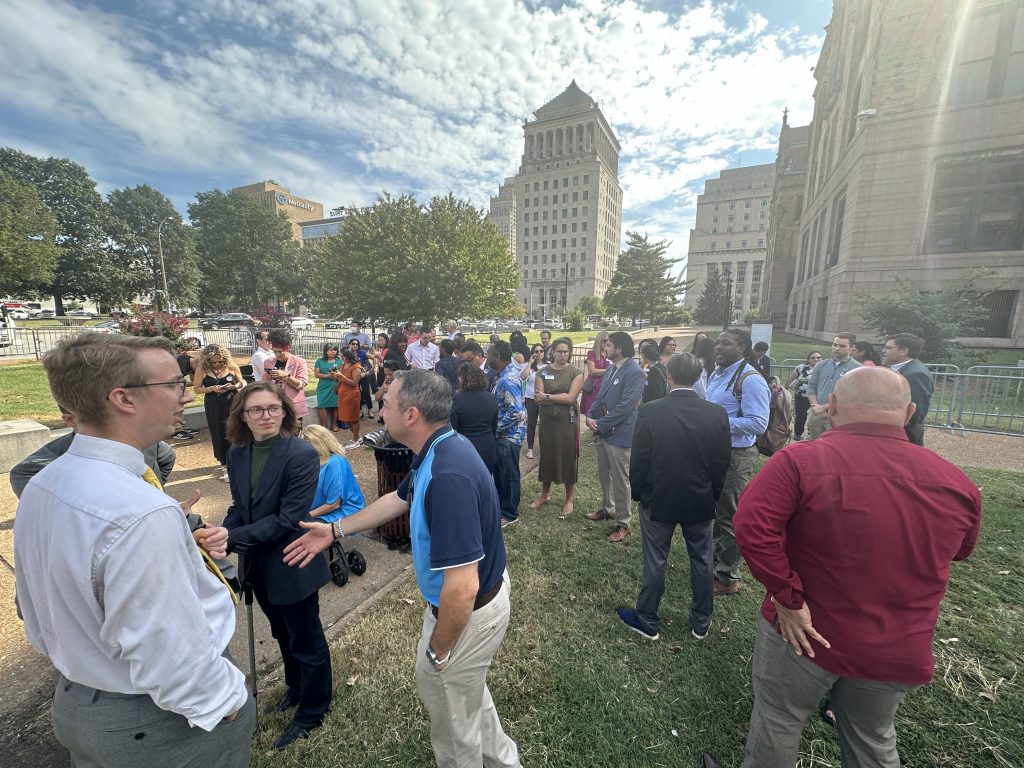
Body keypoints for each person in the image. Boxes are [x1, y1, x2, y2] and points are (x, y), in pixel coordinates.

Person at [707, 367, 981, 768]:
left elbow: (750, 526)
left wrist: (787, 595)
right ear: (909, 413)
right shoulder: (956, 481)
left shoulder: (798, 461)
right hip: (897, 642)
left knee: (779, 720)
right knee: (873, 738)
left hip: (803, 630)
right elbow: (960, 551)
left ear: (831, 406)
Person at [14, 333, 254, 767]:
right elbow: (168, 647)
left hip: (81, 702)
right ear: (124, 398)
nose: (186, 395)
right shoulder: (140, 512)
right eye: (174, 384)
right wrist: (225, 701)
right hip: (159, 721)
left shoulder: (44, 484)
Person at [283, 369, 520, 768]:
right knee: (467, 699)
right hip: (471, 604)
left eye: (387, 403)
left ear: (411, 414)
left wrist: (439, 651)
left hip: (467, 613)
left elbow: (462, 588)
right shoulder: (440, 446)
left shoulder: (448, 475)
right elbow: (399, 497)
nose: (379, 409)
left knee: (454, 727)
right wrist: (335, 529)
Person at [223, 381, 332, 750]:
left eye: (273, 408)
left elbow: (287, 519)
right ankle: (296, 688)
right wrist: (223, 531)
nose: (265, 415)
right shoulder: (237, 452)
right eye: (256, 409)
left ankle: (313, 709)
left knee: (305, 638)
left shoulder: (300, 454)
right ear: (243, 416)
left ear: (284, 411)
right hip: (257, 564)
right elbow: (240, 506)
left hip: (291, 559)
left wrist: (230, 537)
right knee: (282, 633)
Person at [616, 353, 731, 641]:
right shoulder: (716, 413)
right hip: (700, 498)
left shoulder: (651, 411)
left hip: (659, 498)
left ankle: (647, 618)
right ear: (698, 376)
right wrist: (712, 495)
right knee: (702, 560)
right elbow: (721, 463)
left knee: (656, 560)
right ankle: (701, 620)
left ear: (669, 376)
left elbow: (639, 460)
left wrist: (639, 493)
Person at [704, 328, 770, 594]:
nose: (718, 347)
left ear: (742, 348)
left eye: (726, 343)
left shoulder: (751, 380)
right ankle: (716, 555)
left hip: (736, 456)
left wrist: (717, 422)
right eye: (717, 343)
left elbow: (758, 423)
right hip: (713, 451)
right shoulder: (718, 374)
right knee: (714, 510)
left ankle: (728, 577)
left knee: (730, 516)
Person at [584, 332, 647, 542]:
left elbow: (625, 407)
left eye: (609, 345)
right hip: (604, 432)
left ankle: (624, 523)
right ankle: (608, 508)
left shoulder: (635, 372)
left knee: (621, 480)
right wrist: (590, 415)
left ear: (619, 348)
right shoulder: (611, 368)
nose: (605, 348)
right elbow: (599, 396)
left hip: (620, 434)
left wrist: (600, 423)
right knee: (605, 474)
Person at [531, 338, 585, 518]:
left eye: (566, 351)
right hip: (547, 422)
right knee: (547, 455)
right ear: (553, 351)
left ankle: (569, 499)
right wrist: (558, 397)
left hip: (567, 423)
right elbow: (538, 398)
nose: (563, 355)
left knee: (568, 456)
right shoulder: (542, 372)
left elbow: (571, 398)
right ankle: (545, 494)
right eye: (560, 351)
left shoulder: (576, 372)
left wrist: (549, 396)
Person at [488, 340, 526, 527]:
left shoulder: (507, 379)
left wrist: (496, 430)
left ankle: (510, 513)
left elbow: (516, 412)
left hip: (508, 436)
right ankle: (502, 507)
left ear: (497, 356)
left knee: (508, 474)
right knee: (501, 473)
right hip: (503, 435)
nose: (487, 357)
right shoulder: (502, 375)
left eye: (489, 354)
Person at [194, 343, 244, 481]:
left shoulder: (232, 367)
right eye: (214, 362)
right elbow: (197, 389)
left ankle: (238, 459)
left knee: (236, 430)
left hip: (232, 402)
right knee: (218, 432)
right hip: (214, 405)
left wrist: (234, 386)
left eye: (221, 361)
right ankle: (224, 464)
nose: (217, 364)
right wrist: (212, 388)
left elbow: (241, 382)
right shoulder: (202, 369)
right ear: (207, 360)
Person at [299, 424, 365, 522]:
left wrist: (302, 518)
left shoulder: (335, 462)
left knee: (297, 528)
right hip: (321, 509)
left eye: (306, 444)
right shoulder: (312, 461)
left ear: (319, 444)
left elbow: (334, 504)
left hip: (342, 513)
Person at [805, 333, 860, 440]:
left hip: (840, 417)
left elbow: (853, 396)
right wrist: (816, 407)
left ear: (852, 348)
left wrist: (825, 407)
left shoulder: (857, 369)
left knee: (835, 446)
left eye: (842, 346)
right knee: (815, 446)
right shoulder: (821, 365)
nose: (837, 348)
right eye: (835, 345)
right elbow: (811, 387)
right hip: (817, 415)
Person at [882, 333, 934, 446]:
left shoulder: (916, 374)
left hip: (904, 435)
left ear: (903, 351)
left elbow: (916, 413)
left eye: (888, 348)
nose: (883, 351)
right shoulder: (901, 368)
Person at [451, 363, 498, 473]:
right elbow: (494, 426)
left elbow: (453, 429)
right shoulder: (492, 398)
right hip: (488, 448)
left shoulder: (457, 399)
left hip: (465, 449)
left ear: (462, 379)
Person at [266, 329, 310, 424]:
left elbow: (301, 385)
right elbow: (264, 382)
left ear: (287, 348)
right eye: (274, 352)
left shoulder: (299, 362)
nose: (277, 355)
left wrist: (286, 376)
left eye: (280, 352)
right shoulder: (268, 362)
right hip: (274, 404)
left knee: (294, 431)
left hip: (293, 405)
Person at [786, 350, 822, 441]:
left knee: (815, 416)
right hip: (801, 396)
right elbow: (791, 378)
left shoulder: (824, 368)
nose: (816, 359)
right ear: (808, 359)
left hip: (817, 397)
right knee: (801, 416)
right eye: (813, 358)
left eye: (818, 357)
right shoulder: (801, 368)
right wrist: (785, 390)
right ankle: (798, 434)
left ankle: (813, 434)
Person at [336, 346, 363, 449]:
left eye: (344, 355)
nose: (342, 357)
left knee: (353, 418)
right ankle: (356, 437)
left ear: (349, 355)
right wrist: (334, 376)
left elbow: (354, 383)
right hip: (343, 395)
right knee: (346, 418)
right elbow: (339, 380)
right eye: (341, 355)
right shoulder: (343, 365)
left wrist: (342, 377)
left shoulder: (356, 367)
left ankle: (355, 439)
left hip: (352, 395)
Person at [522, 344, 544, 460]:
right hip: (531, 398)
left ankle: (545, 447)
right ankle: (530, 448)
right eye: (536, 351)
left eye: (541, 351)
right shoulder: (529, 366)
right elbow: (523, 377)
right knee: (531, 423)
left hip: (545, 399)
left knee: (545, 424)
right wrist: (530, 363)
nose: (539, 353)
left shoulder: (548, 365)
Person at [581, 330, 610, 416]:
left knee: (604, 414)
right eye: (604, 340)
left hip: (606, 387)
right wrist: (609, 370)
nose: (606, 343)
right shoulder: (592, 353)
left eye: (608, 341)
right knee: (592, 413)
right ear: (599, 340)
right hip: (593, 388)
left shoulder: (610, 354)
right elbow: (592, 371)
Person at [314, 343, 342, 431]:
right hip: (323, 386)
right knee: (321, 406)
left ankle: (334, 425)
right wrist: (328, 376)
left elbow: (342, 373)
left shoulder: (339, 361)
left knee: (335, 406)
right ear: (326, 351)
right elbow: (316, 374)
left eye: (335, 350)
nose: (333, 352)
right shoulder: (319, 361)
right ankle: (324, 426)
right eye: (331, 350)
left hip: (335, 386)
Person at [640, 339, 668, 403]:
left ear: (644, 356)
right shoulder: (660, 366)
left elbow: (658, 393)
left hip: (652, 405)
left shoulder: (654, 371)